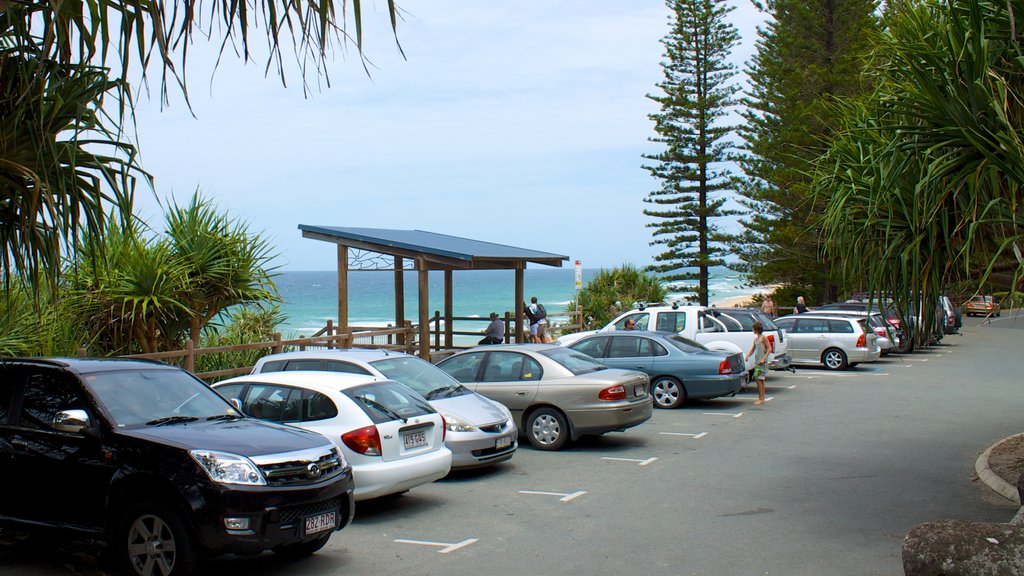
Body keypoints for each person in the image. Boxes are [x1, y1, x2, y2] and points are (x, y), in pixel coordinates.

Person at [745, 321, 770, 405]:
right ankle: (762, 397)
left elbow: (769, 348)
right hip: (757, 361)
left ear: (756, 329)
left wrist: (764, 358)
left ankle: (761, 398)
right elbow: (753, 349)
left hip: (762, 362)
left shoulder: (763, 338)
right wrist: (748, 355)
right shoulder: (756, 339)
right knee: (760, 379)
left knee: (759, 379)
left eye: (753, 329)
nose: (752, 330)